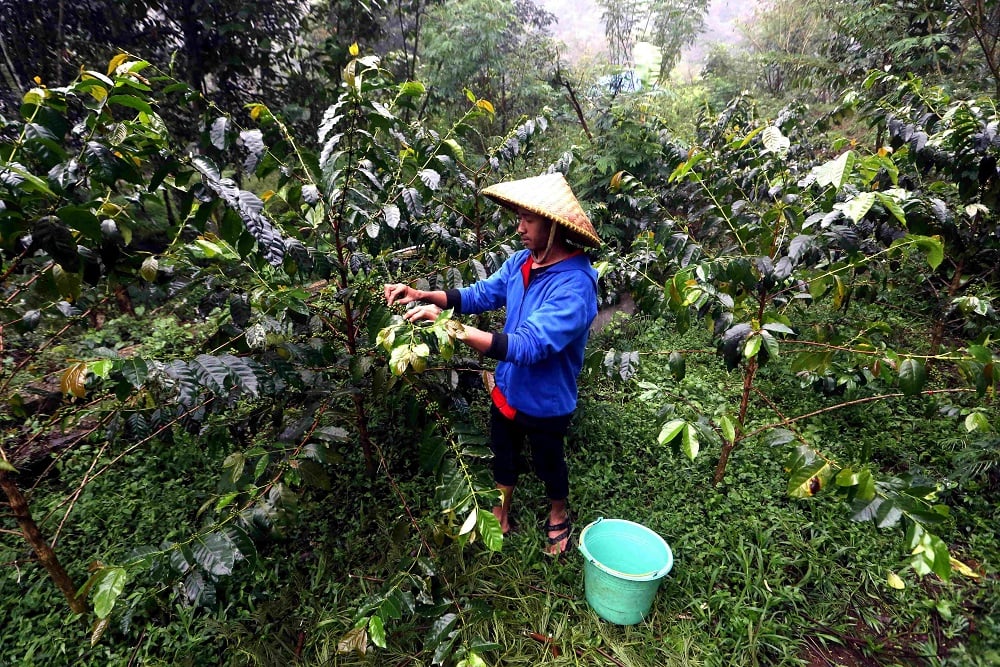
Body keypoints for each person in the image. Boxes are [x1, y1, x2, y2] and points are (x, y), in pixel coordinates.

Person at [384, 172, 601, 555]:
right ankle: (501, 512)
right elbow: (481, 293)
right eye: (519, 218)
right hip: (507, 387)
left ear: (552, 225)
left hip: (548, 399)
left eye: (527, 220)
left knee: (549, 461)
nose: (519, 228)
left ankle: (557, 512)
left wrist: (449, 326)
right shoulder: (522, 262)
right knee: (504, 451)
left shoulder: (576, 285)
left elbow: (529, 346)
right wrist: (422, 293)